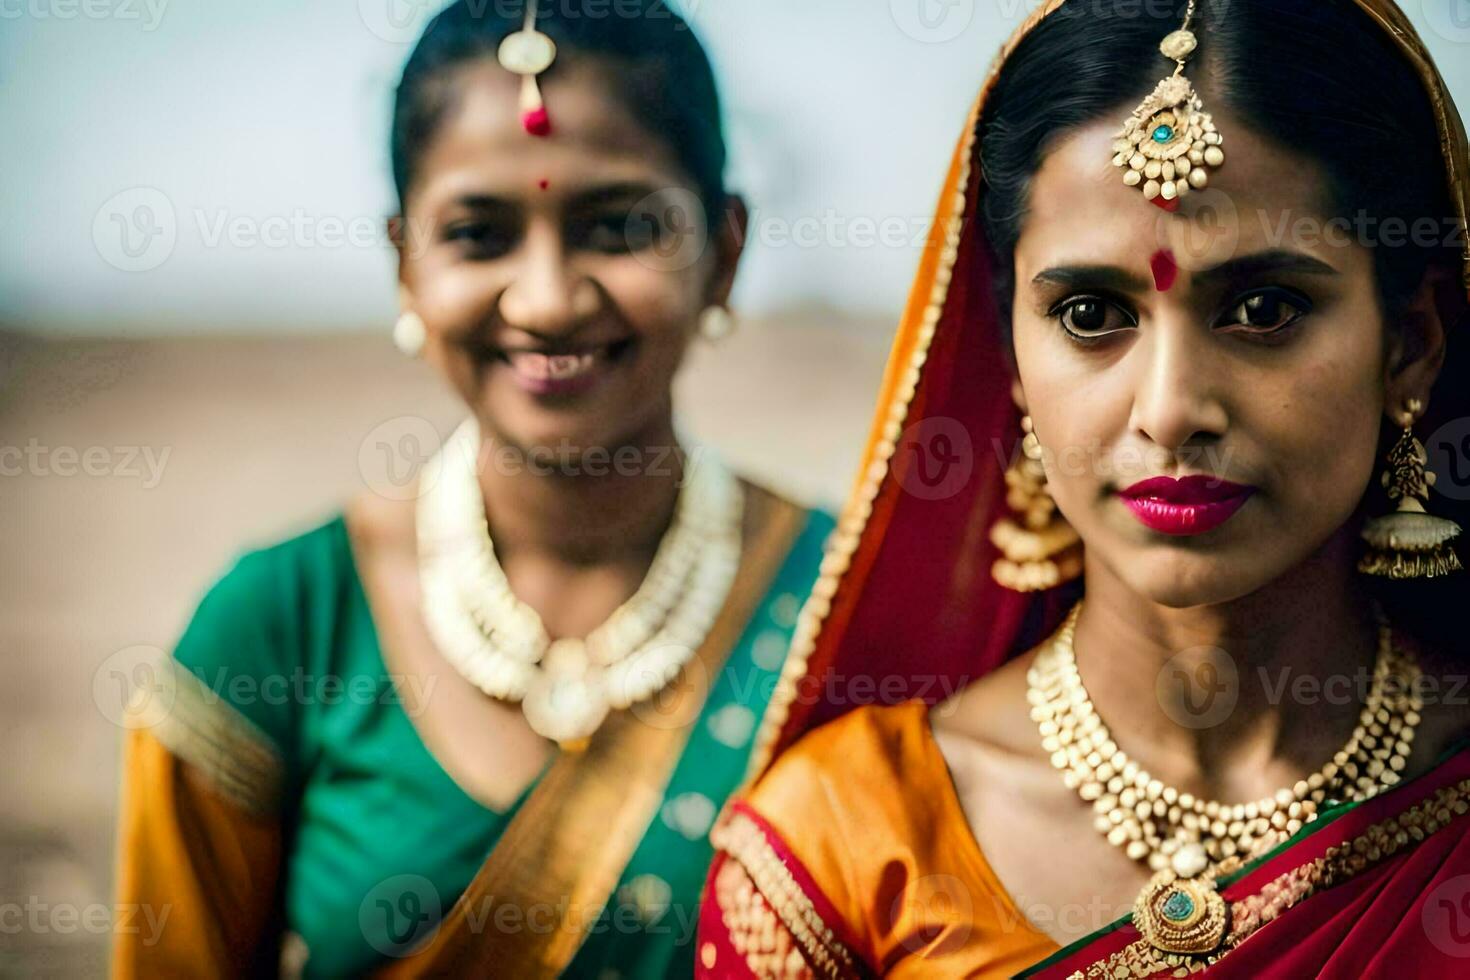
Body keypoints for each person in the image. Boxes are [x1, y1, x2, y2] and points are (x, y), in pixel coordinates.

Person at [696, 0, 1470, 976]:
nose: (1171, 407)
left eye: (1265, 308)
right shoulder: (845, 849)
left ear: (1410, 343)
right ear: (1009, 359)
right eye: (1092, 312)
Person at [111, 2, 833, 976]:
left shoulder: (846, 602)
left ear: (726, 250)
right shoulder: (283, 621)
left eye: (619, 225)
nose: (547, 299)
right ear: (405, 262)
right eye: (479, 234)